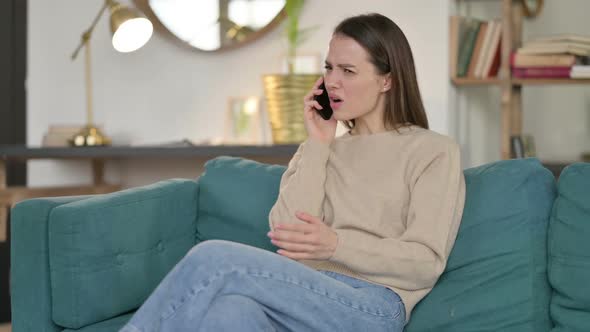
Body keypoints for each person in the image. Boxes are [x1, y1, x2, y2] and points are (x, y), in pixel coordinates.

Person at [120, 13, 465, 332]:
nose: (332, 82)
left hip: (372, 305)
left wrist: (337, 245)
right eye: (329, 68)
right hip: (302, 295)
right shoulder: (319, 148)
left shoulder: (432, 150)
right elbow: (286, 234)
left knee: (214, 257)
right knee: (231, 310)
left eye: (348, 71)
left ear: (386, 80)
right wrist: (318, 143)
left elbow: (425, 262)